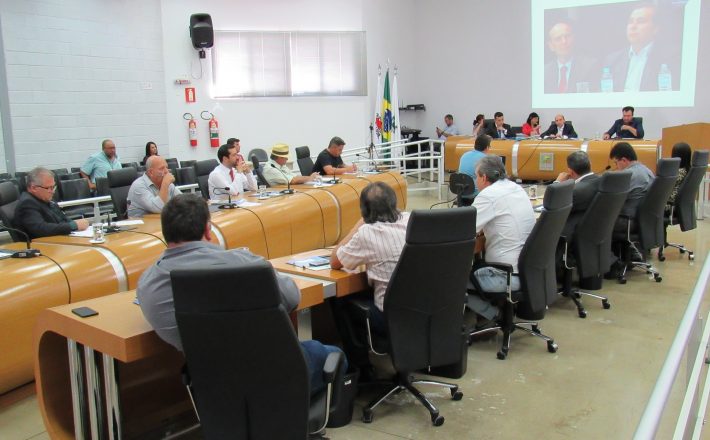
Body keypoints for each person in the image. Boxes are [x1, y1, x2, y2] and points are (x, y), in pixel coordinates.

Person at [136, 193, 345, 394]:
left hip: (214, 386)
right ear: (208, 231)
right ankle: (298, 418)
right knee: (335, 354)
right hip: (276, 371)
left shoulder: (148, 283)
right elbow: (292, 298)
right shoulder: (245, 263)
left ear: (165, 233)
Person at [330, 182, 409, 372]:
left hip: (390, 316)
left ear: (364, 210)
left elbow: (335, 261)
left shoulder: (368, 232)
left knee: (338, 299)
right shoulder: (411, 220)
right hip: (423, 309)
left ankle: (361, 369)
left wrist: (355, 227)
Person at [467, 156, 535, 326]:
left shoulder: (488, 195)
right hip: (528, 269)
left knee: (452, 280)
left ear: (483, 177)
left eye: (476, 176)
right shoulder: (515, 188)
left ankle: (492, 314)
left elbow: (463, 229)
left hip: (505, 275)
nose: (476, 180)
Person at [603, 4, 678, 92]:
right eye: (630, 21)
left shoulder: (670, 58)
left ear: (655, 29)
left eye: (641, 21)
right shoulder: (612, 60)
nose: (633, 26)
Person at [14, 167, 90, 238]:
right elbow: (40, 229)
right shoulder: (27, 203)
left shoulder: (45, 198)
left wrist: (76, 223)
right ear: (33, 188)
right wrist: (73, 226)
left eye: (53, 187)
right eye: (49, 188)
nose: (53, 191)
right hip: (42, 245)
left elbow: (61, 218)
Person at [553, 151, 601, 238]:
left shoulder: (575, 191)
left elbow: (552, 205)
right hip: (596, 230)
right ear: (590, 164)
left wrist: (557, 182)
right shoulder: (604, 181)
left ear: (570, 172)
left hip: (572, 233)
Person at [610, 141, 654, 229]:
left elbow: (613, 201)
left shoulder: (628, 175)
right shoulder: (647, 170)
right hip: (646, 219)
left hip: (628, 220)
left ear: (623, 160)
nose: (616, 167)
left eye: (616, 163)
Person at [544, 22, 597, 94]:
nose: (564, 41)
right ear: (551, 46)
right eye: (558, 39)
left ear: (574, 39)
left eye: (567, 36)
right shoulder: (545, 72)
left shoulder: (590, 66)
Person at [458, 134, 492, 202]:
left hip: (461, 191)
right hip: (475, 194)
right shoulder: (485, 159)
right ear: (487, 147)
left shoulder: (465, 154)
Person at [666, 142, 691, 210]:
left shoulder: (677, 173)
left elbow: (664, 188)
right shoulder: (689, 170)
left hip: (669, 205)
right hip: (679, 205)